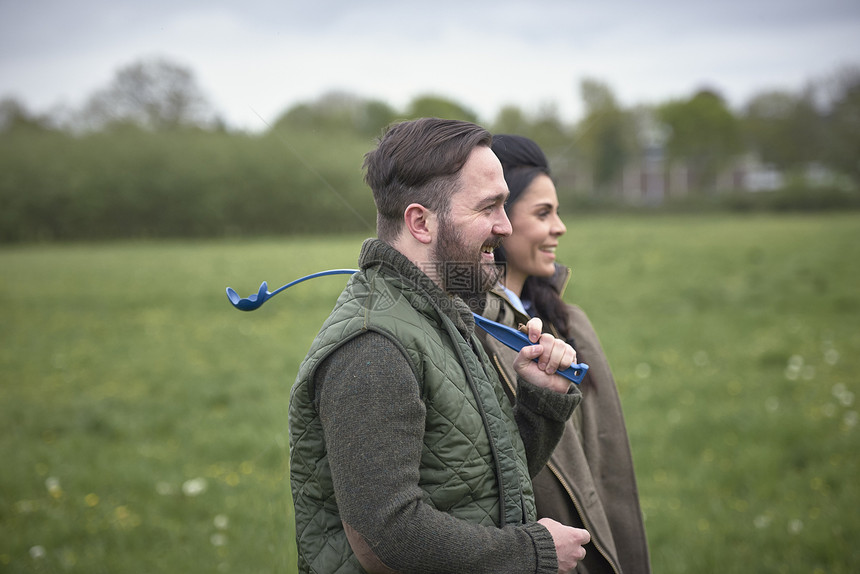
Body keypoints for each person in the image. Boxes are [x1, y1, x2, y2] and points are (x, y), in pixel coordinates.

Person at [289, 118, 592, 574]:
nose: (506, 227)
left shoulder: (445, 315)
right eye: (489, 207)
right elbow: (386, 534)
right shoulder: (373, 348)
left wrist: (540, 401)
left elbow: (478, 485)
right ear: (420, 222)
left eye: (505, 206)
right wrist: (532, 553)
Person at [471, 134, 651, 574]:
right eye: (543, 213)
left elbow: (609, 468)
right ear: (501, 221)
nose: (560, 227)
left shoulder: (572, 324)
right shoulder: (469, 335)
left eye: (557, 212)